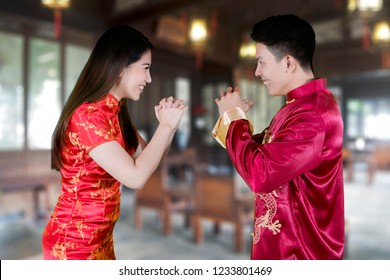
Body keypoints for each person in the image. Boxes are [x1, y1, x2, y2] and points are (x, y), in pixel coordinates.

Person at [42, 25, 188, 260]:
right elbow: (135, 178)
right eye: (145, 68)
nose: (149, 79)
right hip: (72, 244)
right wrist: (165, 127)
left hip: (101, 239)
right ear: (121, 67)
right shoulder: (87, 116)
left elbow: (149, 160)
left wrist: (167, 129)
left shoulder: (117, 111)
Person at [212, 14, 344, 259]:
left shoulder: (312, 114)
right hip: (285, 244)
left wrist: (235, 118)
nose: (257, 71)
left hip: (300, 252)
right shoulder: (298, 106)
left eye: (261, 62)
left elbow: (260, 173)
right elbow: (262, 151)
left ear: (288, 63)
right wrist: (234, 119)